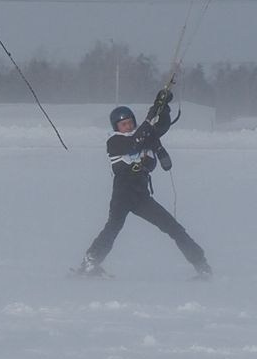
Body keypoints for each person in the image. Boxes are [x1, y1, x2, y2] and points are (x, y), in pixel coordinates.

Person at [74, 89, 211, 278]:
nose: (128, 126)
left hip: (141, 196)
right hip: (122, 195)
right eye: (123, 124)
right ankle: (90, 263)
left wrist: (162, 107)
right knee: (112, 228)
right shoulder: (114, 141)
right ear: (116, 127)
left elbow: (159, 127)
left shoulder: (144, 134)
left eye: (130, 122)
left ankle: (201, 264)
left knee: (172, 227)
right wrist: (150, 116)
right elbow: (134, 144)